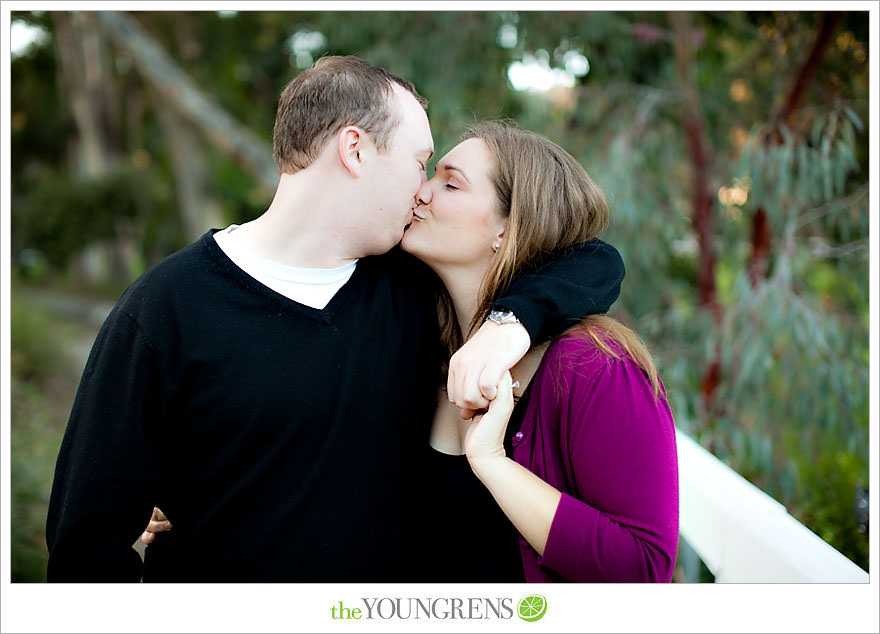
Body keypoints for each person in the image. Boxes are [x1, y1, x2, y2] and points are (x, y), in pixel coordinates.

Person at [46, 56, 625, 582]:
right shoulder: (164, 309)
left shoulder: (410, 287)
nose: (424, 190)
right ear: (355, 150)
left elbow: (593, 259)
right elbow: (86, 545)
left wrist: (508, 324)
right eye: (421, 161)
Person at [400, 121, 679, 582]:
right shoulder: (416, 337)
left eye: (449, 183)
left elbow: (643, 569)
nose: (421, 193)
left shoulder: (593, 366)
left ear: (509, 228)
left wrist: (492, 462)